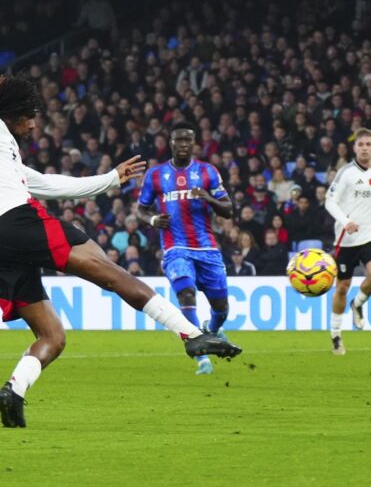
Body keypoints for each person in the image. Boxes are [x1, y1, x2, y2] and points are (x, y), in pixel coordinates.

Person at [0, 76, 241, 428]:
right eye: (28, 115)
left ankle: (13, 392)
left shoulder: (8, 151)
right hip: (18, 219)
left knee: (52, 335)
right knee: (111, 272)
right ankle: (192, 335)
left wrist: (110, 178)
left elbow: (48, 184)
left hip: (4, 243)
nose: (34, 123)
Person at [137, 121, 237, 376]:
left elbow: (228, 209)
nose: (183, 145)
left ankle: (212, 330)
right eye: (178, 140)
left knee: (221, 307)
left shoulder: (208, 172)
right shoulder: (156, 175)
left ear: (194, 143)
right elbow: (141, 209)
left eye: (187, 140)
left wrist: (208, 198)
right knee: (186, 295)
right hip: (174, 247)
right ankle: (201, 356)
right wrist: (151, 220)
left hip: (207, 249)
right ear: (170, 142)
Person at [324, 128, 371, 355]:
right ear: (354, 148)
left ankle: (358, 303)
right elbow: (329, 201)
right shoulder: (345, 173)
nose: (364, 148)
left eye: (368, 144)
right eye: (360, 144)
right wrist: (345, 221)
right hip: (346, 238)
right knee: (342, 288)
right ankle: (336, 334)